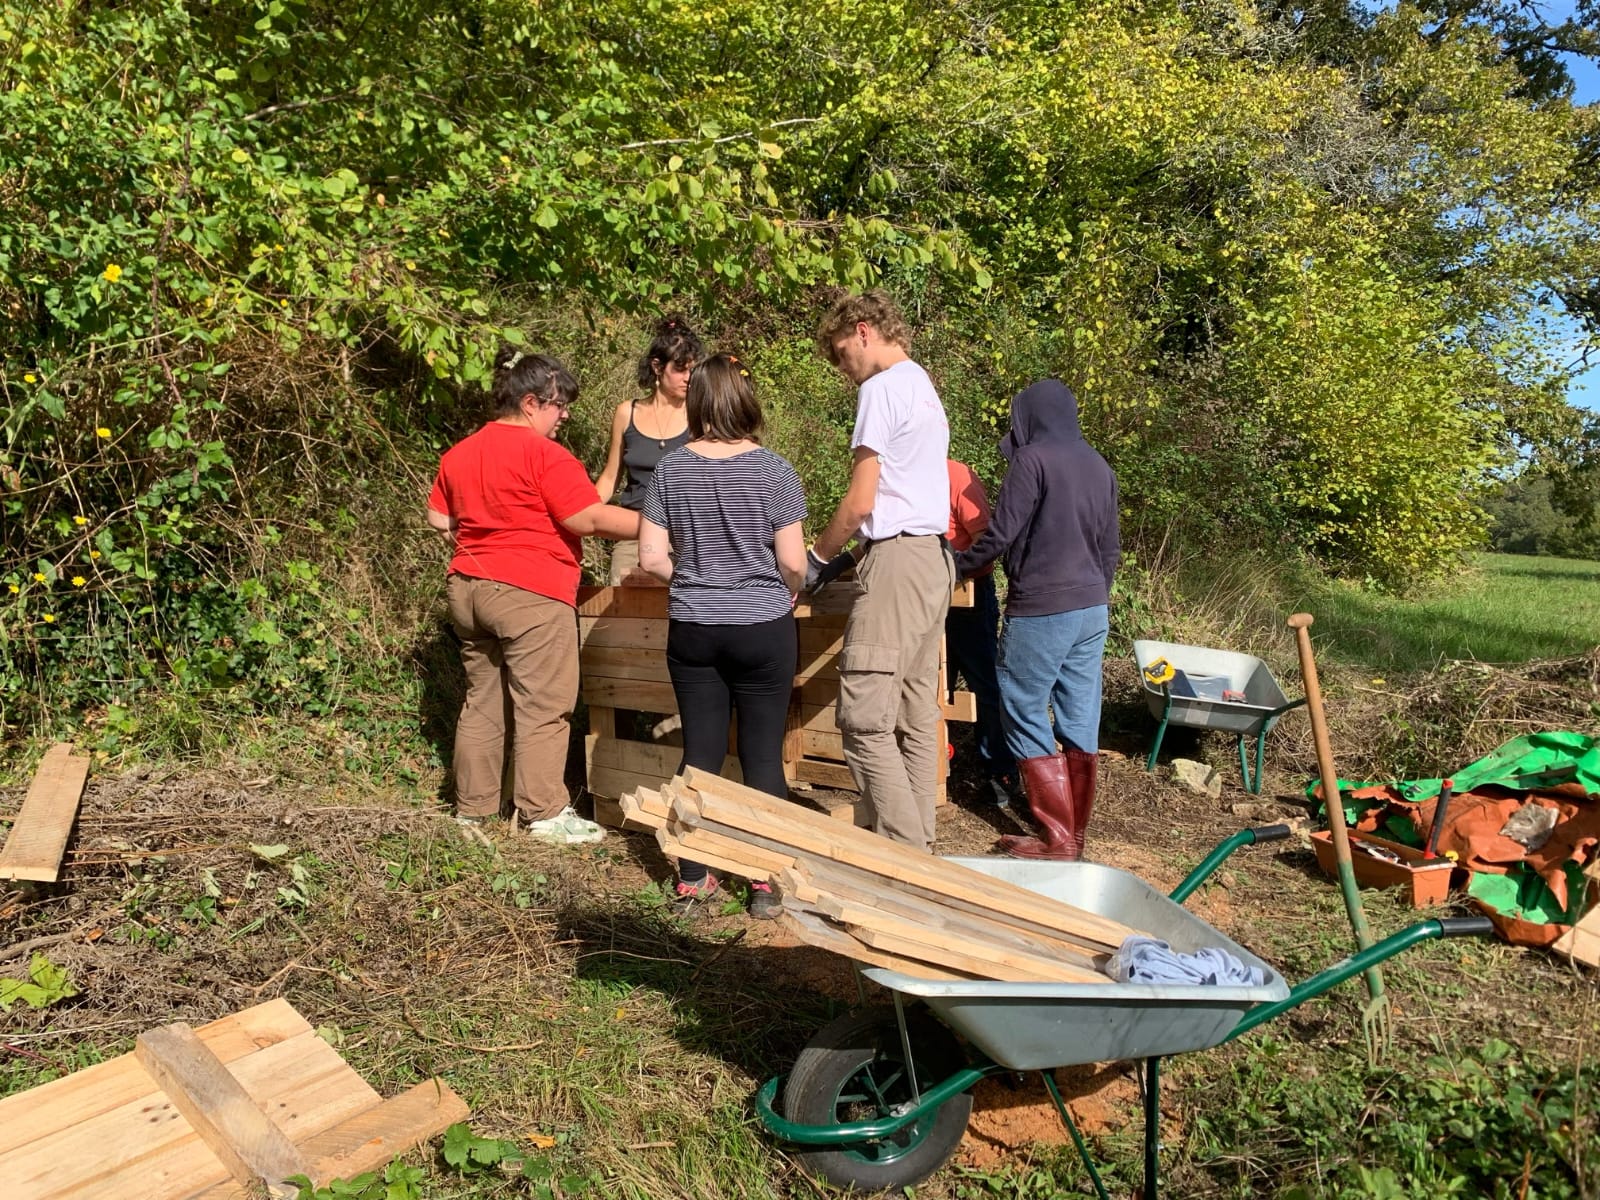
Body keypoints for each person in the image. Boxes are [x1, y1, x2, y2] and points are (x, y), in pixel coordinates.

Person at [427, 349, 641, 842]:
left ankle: (473, 811)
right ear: (529, 403)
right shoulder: (545, 455)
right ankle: (544, 812)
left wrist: (483, 538)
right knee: (545, 704)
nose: (564, 415)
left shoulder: (460, 452)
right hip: (530, 591)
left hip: (468, 588)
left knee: (482, 701)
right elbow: (586, 517)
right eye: (558, 405)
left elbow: (439, 518)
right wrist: (660, 524)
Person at [638, 354, 808, 917]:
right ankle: (763, 883)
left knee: (701, 752)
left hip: (694, 628)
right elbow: (793, 561)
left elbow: (650, 557)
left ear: (698, 402)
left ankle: (693, 878)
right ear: (745, 399)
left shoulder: (669, 469)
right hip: (761, 625)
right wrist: (787, 589)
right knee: (762, 757)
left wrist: (693, 579)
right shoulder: (775, 470)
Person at [808, 291, 953, 852]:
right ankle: (921, 853)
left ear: (863, 331)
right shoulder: (922, 385)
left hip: (896, 564)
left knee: (864, 721)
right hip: (932, 560)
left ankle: (904, 855)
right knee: (914, 714)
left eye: (842, 352)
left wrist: (817, 559)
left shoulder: (881, 388)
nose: (843, 368)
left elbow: (860, 503)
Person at [953, 379, 1120, 860]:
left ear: (1028, 416)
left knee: (1022, 706)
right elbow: (1110, 548)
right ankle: (1075, 836)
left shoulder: (1031, 460)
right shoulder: (1099, 465)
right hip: (1092, 608)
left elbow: (999, 534)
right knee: (1079, 714)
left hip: (1043, 607)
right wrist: (1094, 592)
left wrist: (953, 565)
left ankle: (1058, 840)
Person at [594, 316, 702, 585]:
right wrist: (585, 513)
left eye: (692, 369)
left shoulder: (700, 416)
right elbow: (610, 477)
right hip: (633, 537)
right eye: (680, 369)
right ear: (657, 366)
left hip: (685, 541)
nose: (688, 378)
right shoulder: (626, 413)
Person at [944, 458, 1016, 806]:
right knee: (929, 686)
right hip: (923, 599)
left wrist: (952, 568)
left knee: (985, 685)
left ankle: (999, 771)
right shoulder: (899, 473)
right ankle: (935, 764)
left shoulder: (956, 475)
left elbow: (985, 541)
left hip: (969, 597)